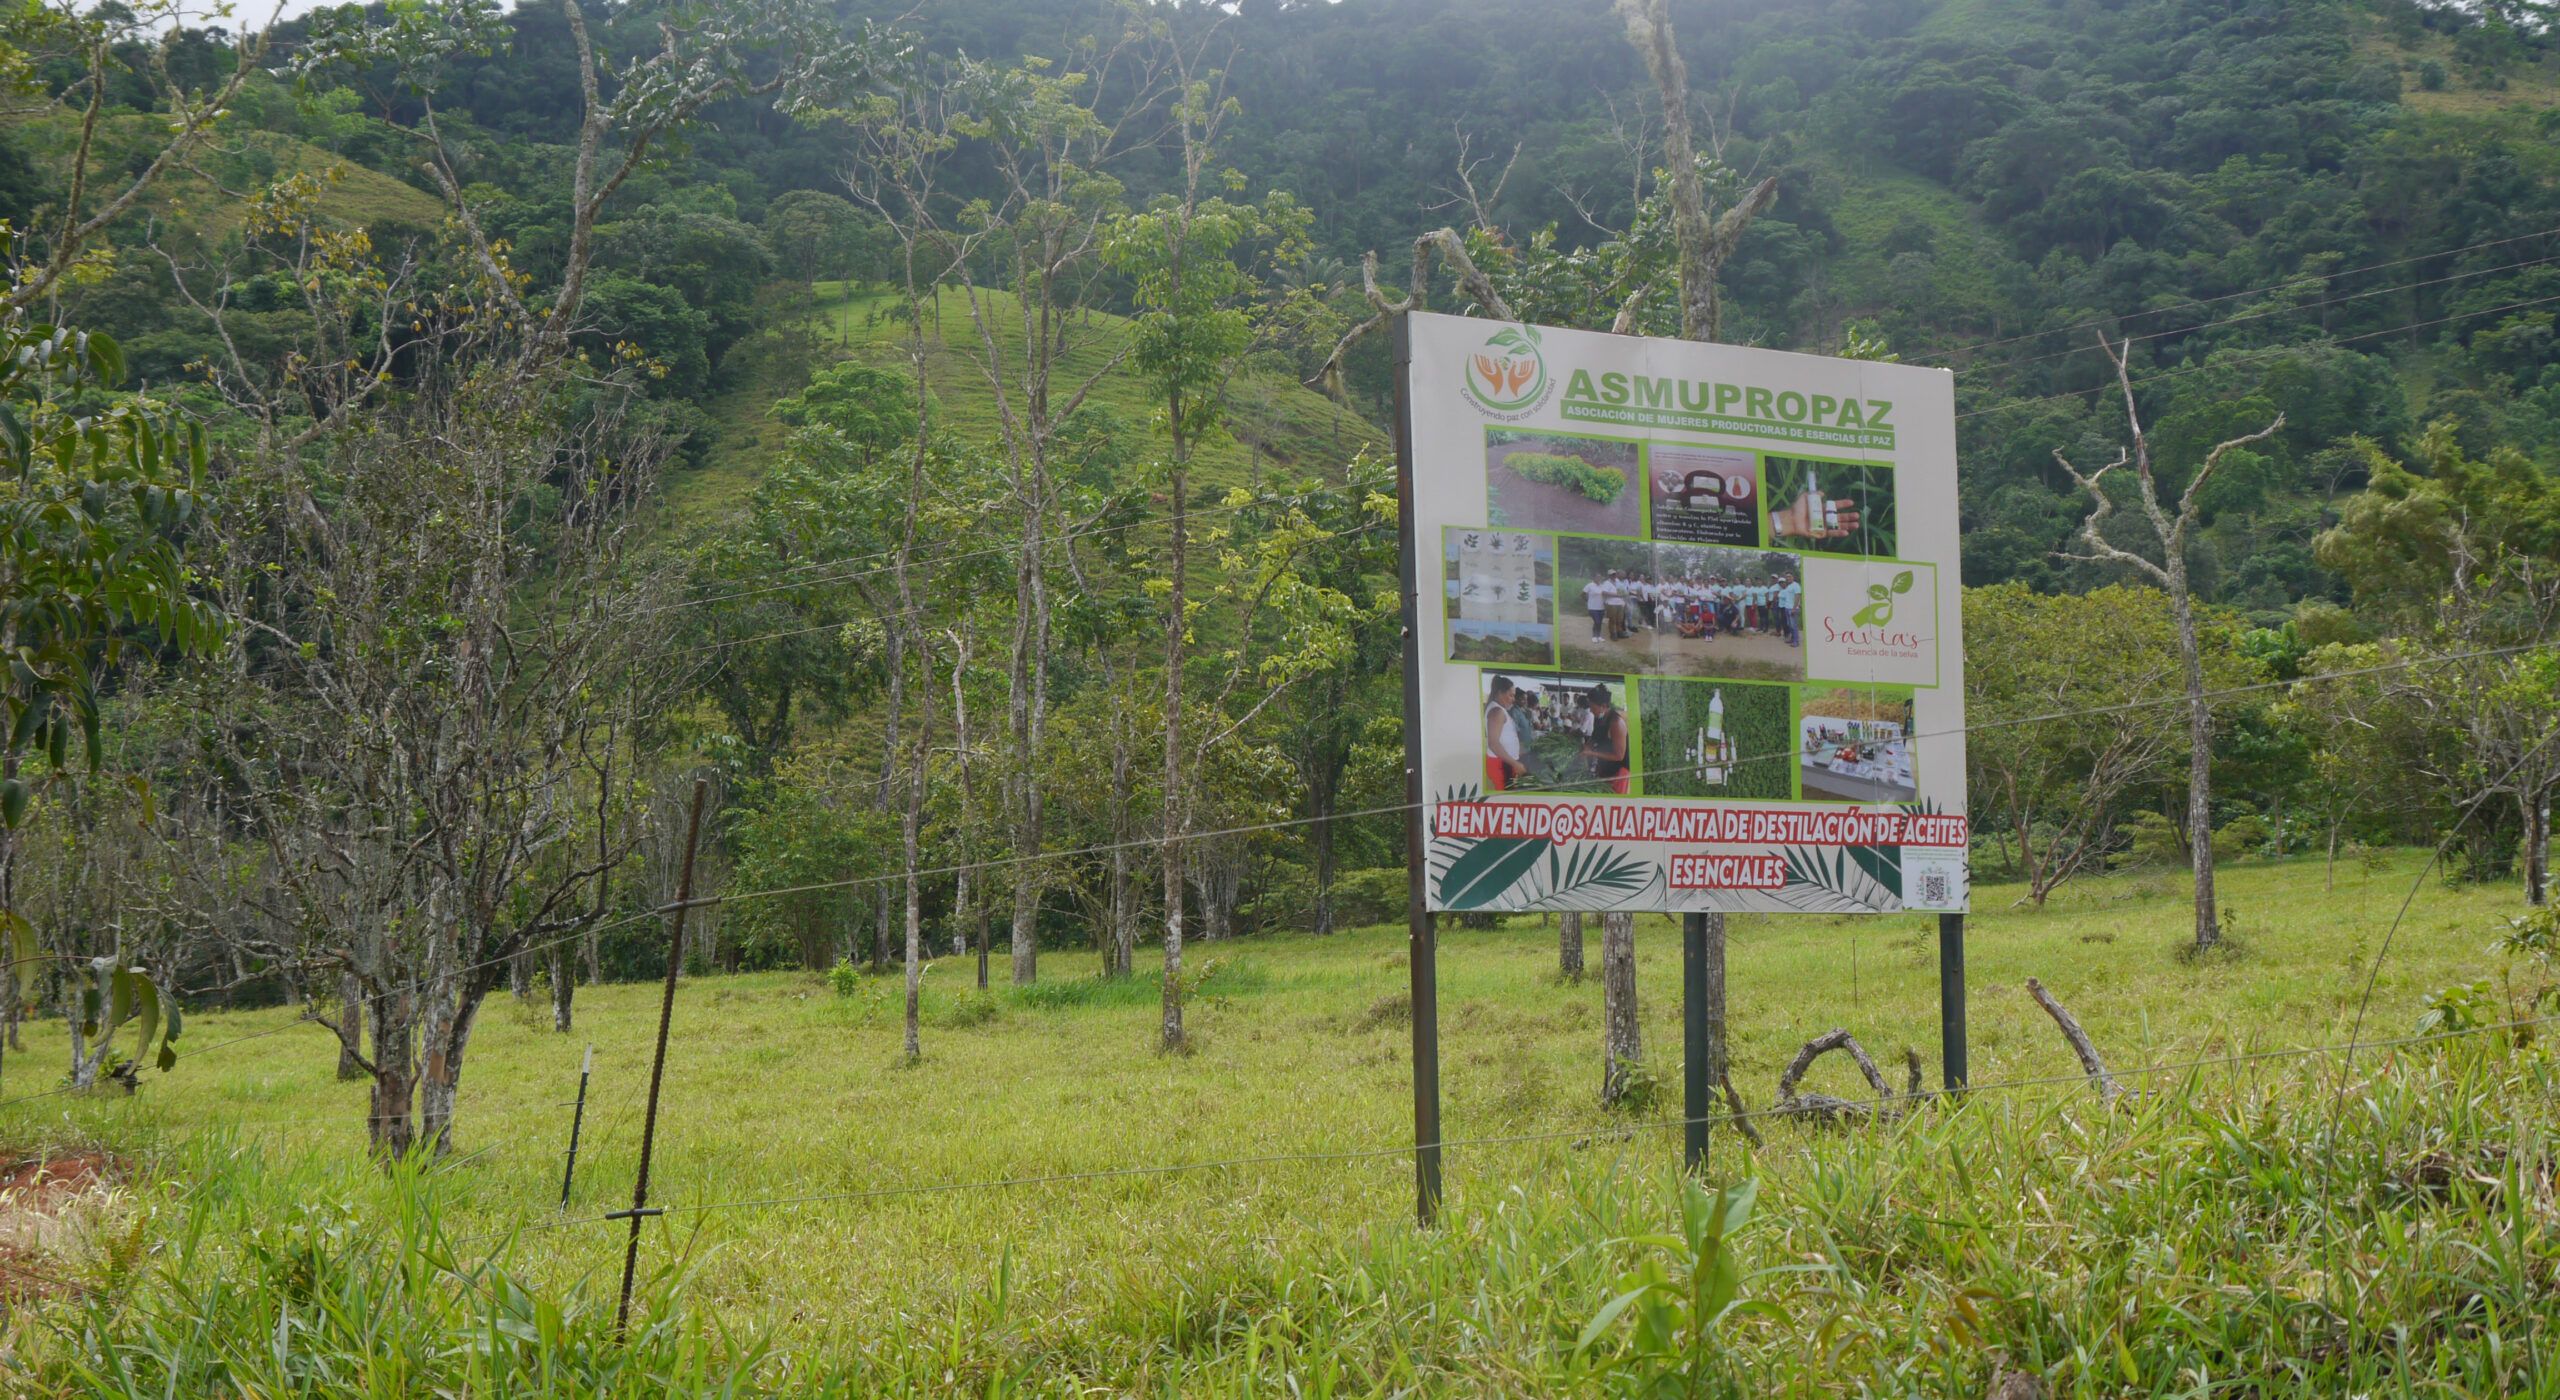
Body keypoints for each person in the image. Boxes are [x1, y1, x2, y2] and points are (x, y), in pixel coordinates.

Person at [1580, 684, 1631, 796]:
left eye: (1593, 707)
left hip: (1618, 772)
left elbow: (1619, 756)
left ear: (1603, 706)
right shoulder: (1599, 718)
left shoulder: (1616, 723)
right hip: (1606, 769)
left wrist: (1592, 753)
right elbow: (1594, 737)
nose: (1591, 711)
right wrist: (1587, 746)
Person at [1484, 675, 1525, 791]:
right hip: (1501, 764)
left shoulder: (1499, 709)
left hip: (1505, 762)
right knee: (1507, 797)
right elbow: (1493, 744)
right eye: (1511, 695)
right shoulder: (1497, 711)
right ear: (1500, 692)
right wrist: (1515, 764)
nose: (1513, 699)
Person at [1582, 573, 1607, 641]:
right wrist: (1587, 601)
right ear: (1594, 578)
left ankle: (1598, 636)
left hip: (1601, 607)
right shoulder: (1589, 585)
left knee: (1599, 622)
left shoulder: (1602, 586)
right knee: (1597, 621)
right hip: (1592, 607)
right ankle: (1594, 636)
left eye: (1600, 577)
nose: (1599, 579)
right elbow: (1582, 594)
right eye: (1597, 577)